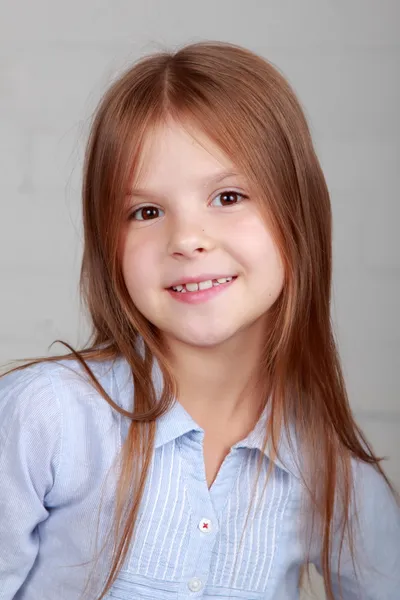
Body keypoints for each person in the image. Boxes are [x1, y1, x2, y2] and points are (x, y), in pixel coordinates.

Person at [0, 41, 398, 600]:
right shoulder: (46, 418)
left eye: (229, 196)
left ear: (298, 214)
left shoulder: (326, 465)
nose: (186, 239)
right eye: (146, 211)